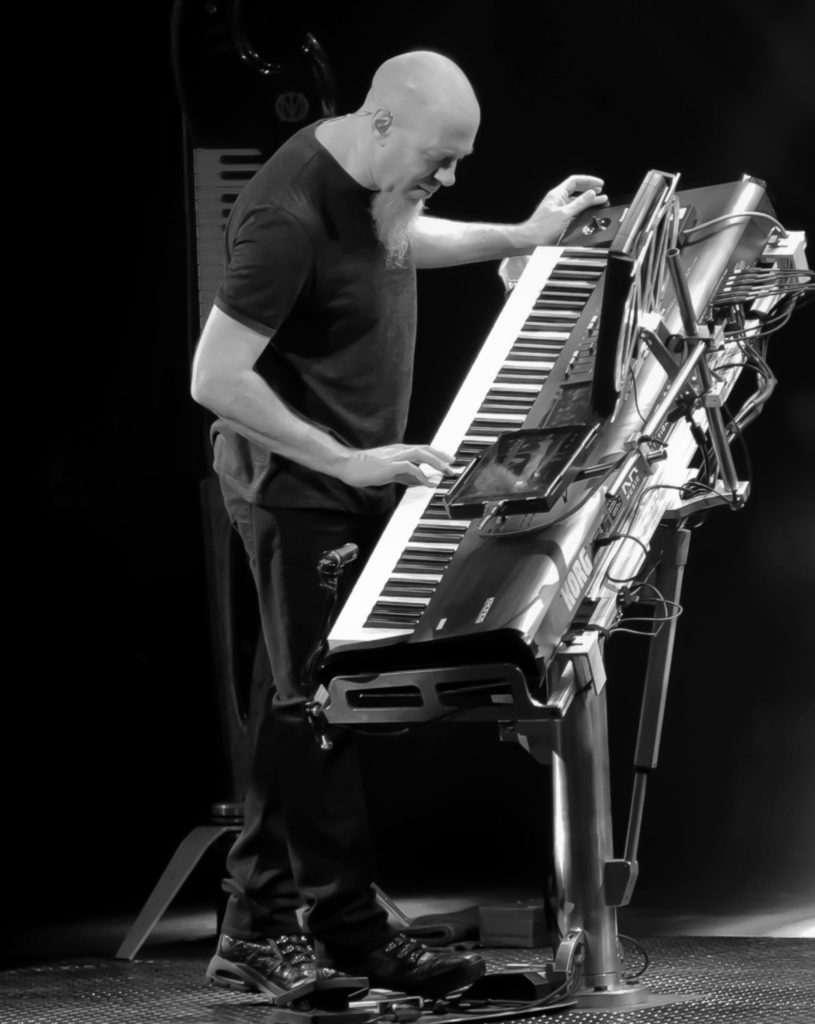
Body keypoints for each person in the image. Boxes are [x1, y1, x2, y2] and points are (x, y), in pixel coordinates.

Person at [190, 49, 606, 1003]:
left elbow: (400, 238)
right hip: (297, 490)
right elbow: (212, 377)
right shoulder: (285, 214)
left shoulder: (367, 182)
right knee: (318, 709)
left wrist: (521, 233)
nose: (446, 177)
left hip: (341, 479)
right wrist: (342, 459)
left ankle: (256, 925)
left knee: (287, 706)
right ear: (382, 124)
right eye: (439, 158)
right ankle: (346, 931)